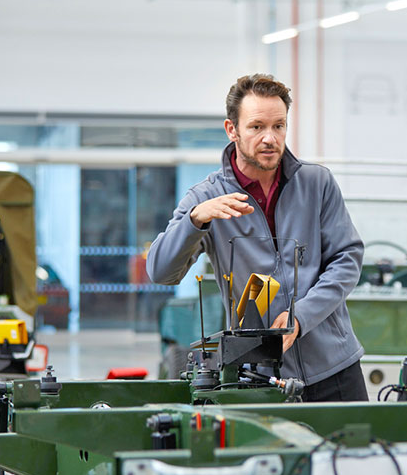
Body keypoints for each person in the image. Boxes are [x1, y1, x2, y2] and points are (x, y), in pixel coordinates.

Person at [146, 73, 368, 402]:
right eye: (257, 127)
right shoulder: (206, 198)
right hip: (259, 378)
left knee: (354, 455)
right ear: (231, 129)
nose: (270, 138)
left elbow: (347, 260)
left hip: (335, 369)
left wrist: (301, 317)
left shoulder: (317, 184)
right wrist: (195, 221)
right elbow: (160, 271)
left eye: (279, 126)